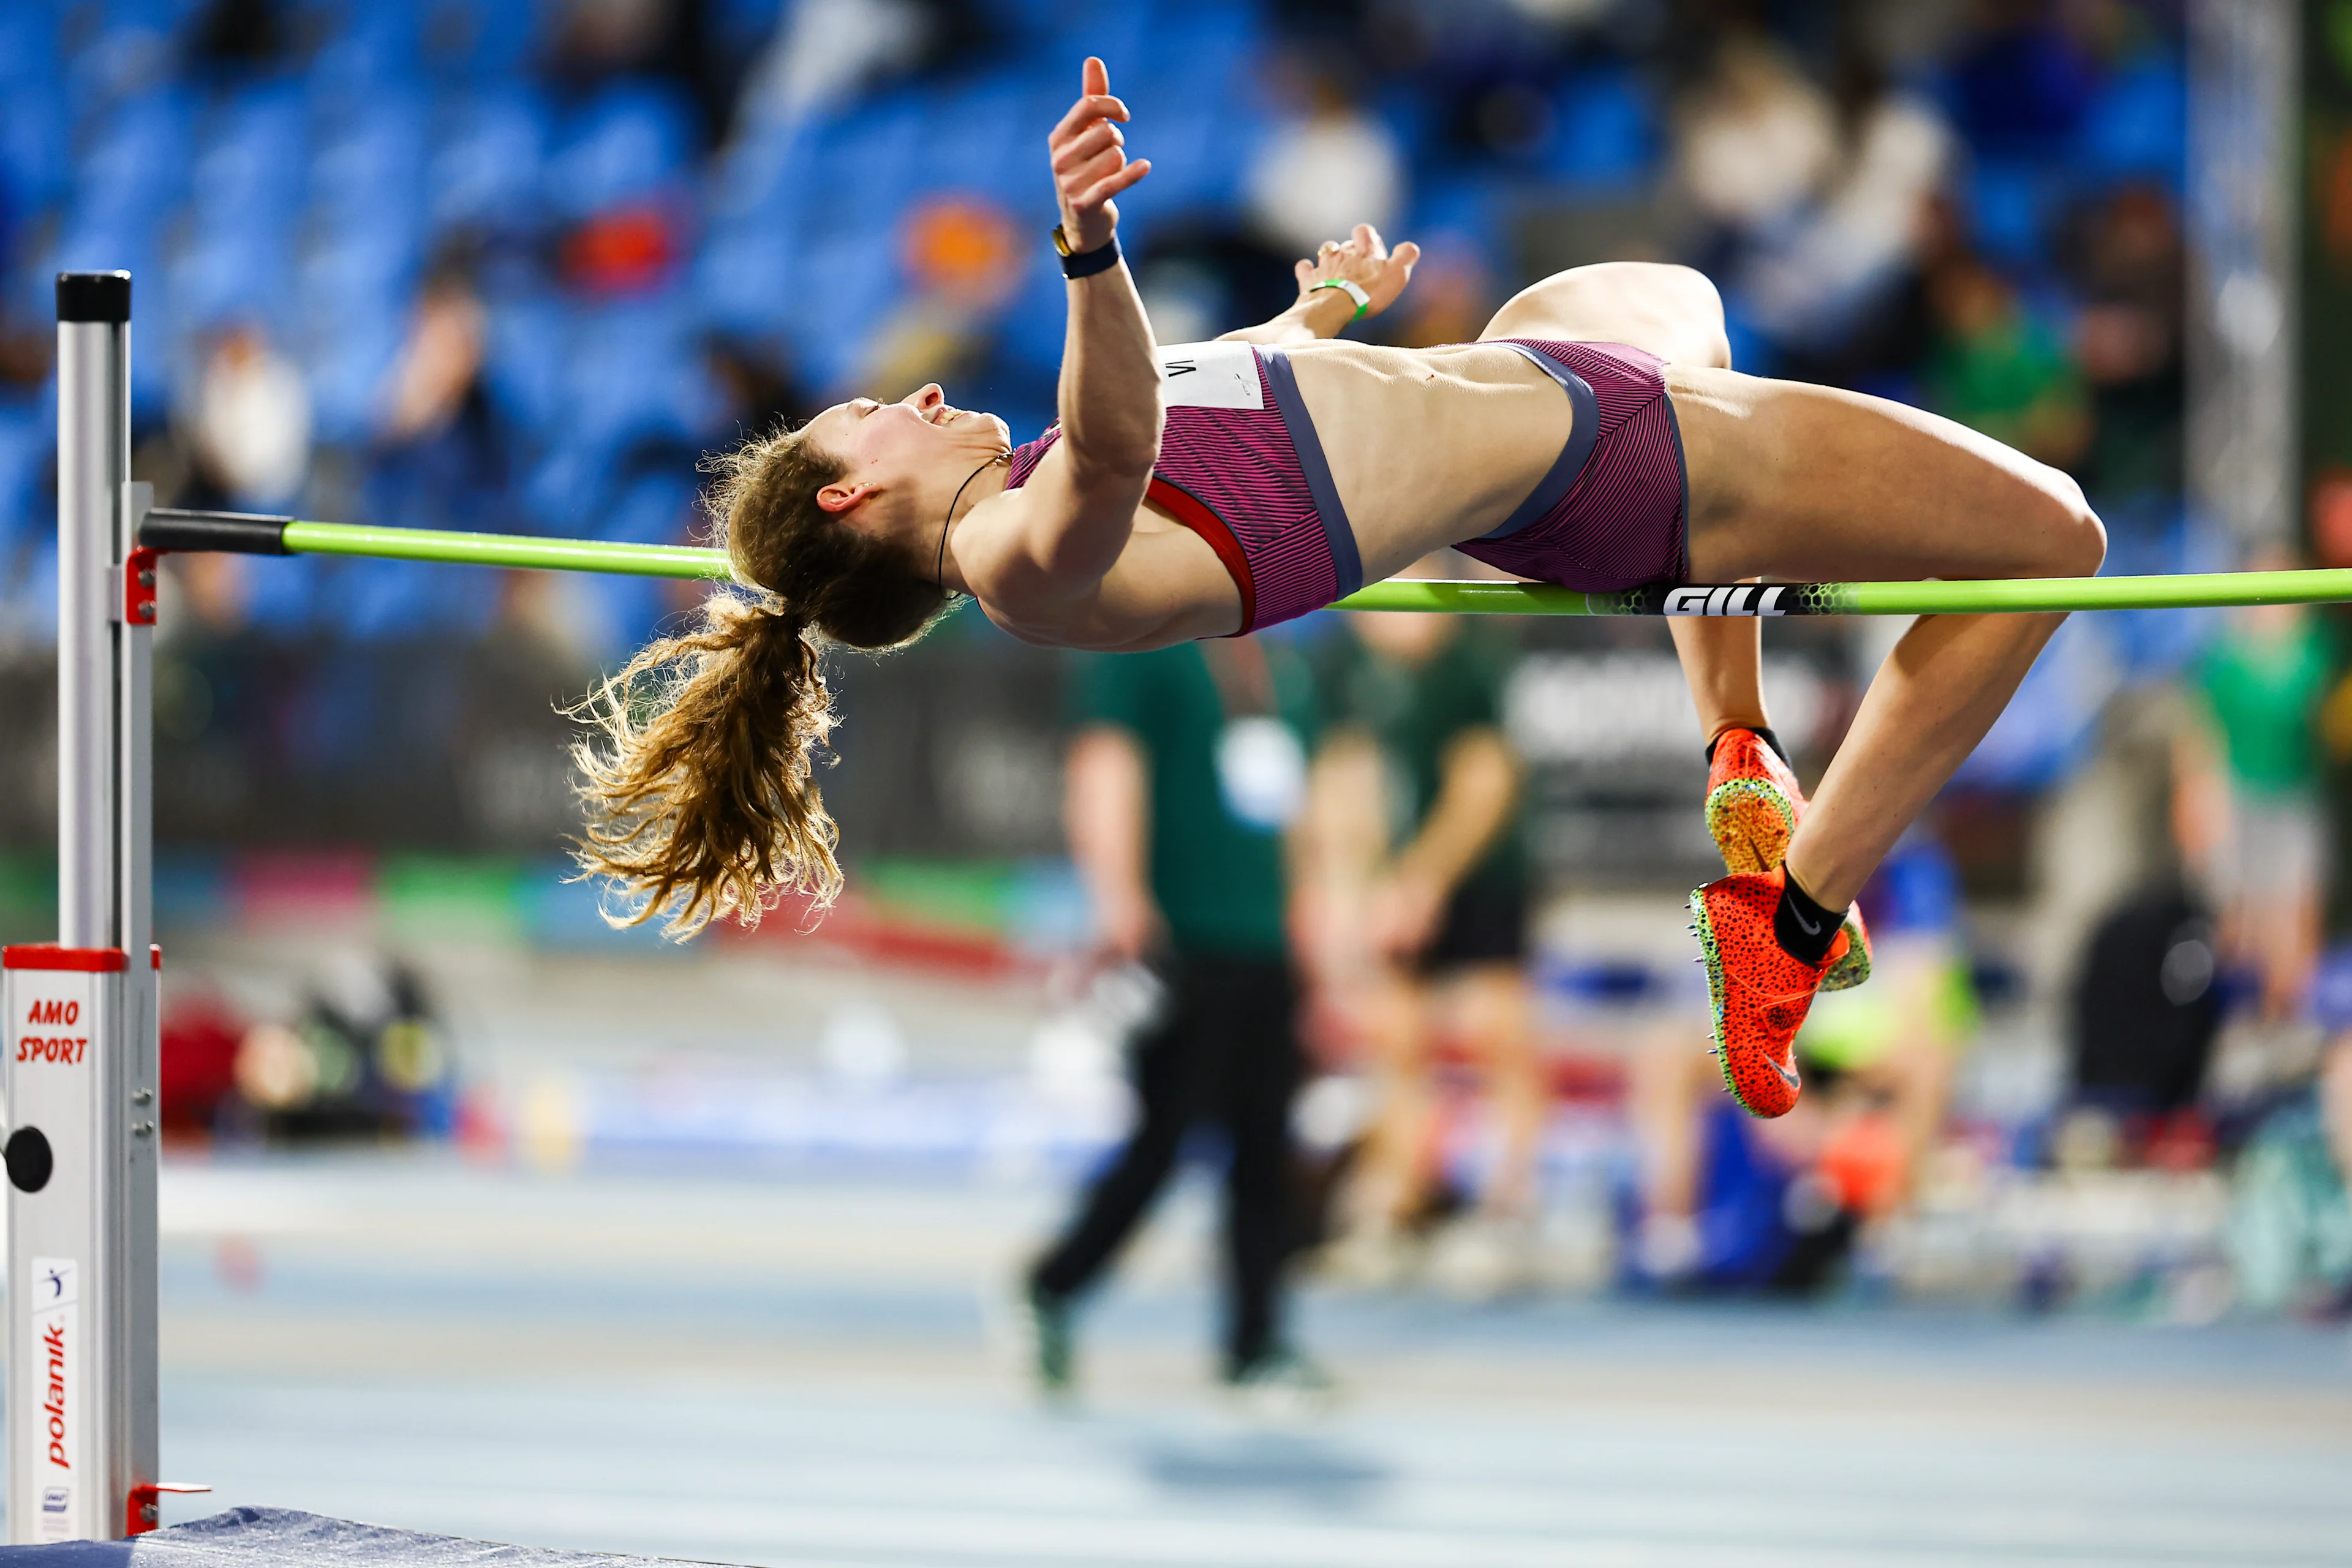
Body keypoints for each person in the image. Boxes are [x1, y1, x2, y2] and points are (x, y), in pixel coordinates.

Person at [574, 57, 2107, 1123]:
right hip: (1613, 465)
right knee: (2054, 543)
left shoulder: (1035, 468)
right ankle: (1791, 912)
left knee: (1674, 296)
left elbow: (1189, 417)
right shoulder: (1016, 556)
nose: (908, 391)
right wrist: (1087, 250)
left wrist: (1302, 321)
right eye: (874, 419)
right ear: (851, 496)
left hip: (1542, 381)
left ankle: (1735, 755)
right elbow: (1120, 444)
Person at [1019, 638, 1325, 1396]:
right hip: (1181, 939)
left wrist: (1313, 923)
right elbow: (1105, 765)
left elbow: (1296, 810)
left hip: (1265, 945)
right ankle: (1054, 1285)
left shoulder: (1280, 667)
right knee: (1165, 1141)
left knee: (1264, 1150)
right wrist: (1120, 898)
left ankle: (1255, 1344)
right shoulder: (1148, 648)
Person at [1302, 592, 1543, 1287]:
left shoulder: (1470, 663)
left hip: (1480, 876)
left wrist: (1424, 879)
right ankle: (1396, 1205)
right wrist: (1357, 892)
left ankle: (1508, 1208)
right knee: (1394, 1038)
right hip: (1393, 880)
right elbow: (1342, 782)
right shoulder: (1343, 667)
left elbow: (1484, 787)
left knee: (1499, 1032)